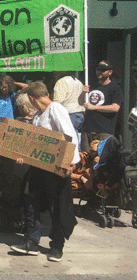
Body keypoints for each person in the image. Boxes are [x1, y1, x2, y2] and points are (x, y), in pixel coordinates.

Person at [9, 81, 79, 262]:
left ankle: (56, 246)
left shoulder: (56, 109)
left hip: (56, 168)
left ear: (32, 98)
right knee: (31, 201)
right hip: (39, 167)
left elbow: (69, 135)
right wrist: (24, 155)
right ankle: (31, 241)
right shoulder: (39, 115)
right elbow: (35, 143)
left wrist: (69, 163)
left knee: (56, 206)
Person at [81, 60, 123, 151]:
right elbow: (81, 103)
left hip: (104, 130)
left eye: (103, 70)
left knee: (102, 159)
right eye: (98, 69)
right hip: (87, 129)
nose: (99, 72)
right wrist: (83, 93)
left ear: (110, 72)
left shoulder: (115, 88)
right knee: (86, 159)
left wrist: (94, 107)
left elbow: (115, 108)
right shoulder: (92, 86)